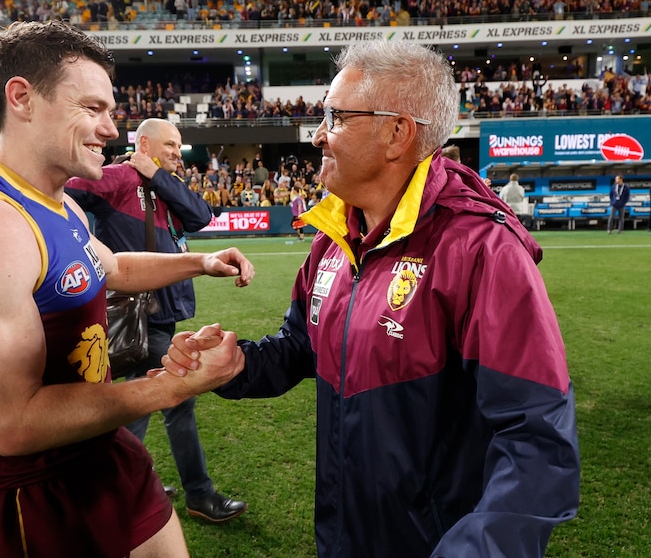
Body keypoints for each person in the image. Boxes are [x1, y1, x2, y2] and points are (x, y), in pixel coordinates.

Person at [164, 41, 580, 558]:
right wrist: (237, 364)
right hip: (343, 537)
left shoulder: (480, 249)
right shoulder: (334, 235)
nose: (318, 135)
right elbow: (301, 344)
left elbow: (538, 442)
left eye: (335, 116)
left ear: (397, 133)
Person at [0, 20, 254, 558]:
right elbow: (13, 425)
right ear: (22, 98)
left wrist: (200, 261)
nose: (110, 130)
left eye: (109, 111)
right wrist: (173, 386)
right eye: (92, 109)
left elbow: (112, 267)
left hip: (104, 450)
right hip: (38, 493)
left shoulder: (60, 202)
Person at [65, 118, 248, 523]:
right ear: (144, 143)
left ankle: (127, 483)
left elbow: (201, 214)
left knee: (139, 403)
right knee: (176, 395)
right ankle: (197, 495)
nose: (176, 153)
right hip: (138, 316)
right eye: (169, 145)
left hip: (160, 315)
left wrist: (156, 175)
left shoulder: (164, 185)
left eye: (179, 146)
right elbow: (62, 189)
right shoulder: (117, 179)